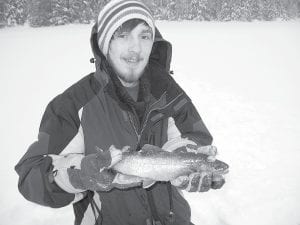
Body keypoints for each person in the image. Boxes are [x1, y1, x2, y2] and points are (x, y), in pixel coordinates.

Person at [15, 0, 226, 224]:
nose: (135, 48)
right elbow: (31, 175)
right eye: (122, 35)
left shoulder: (168, 91)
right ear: (106, 44)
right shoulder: (73, 104)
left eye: (144, 36)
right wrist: (80, 174)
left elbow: (192, 135)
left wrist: (186, 152)